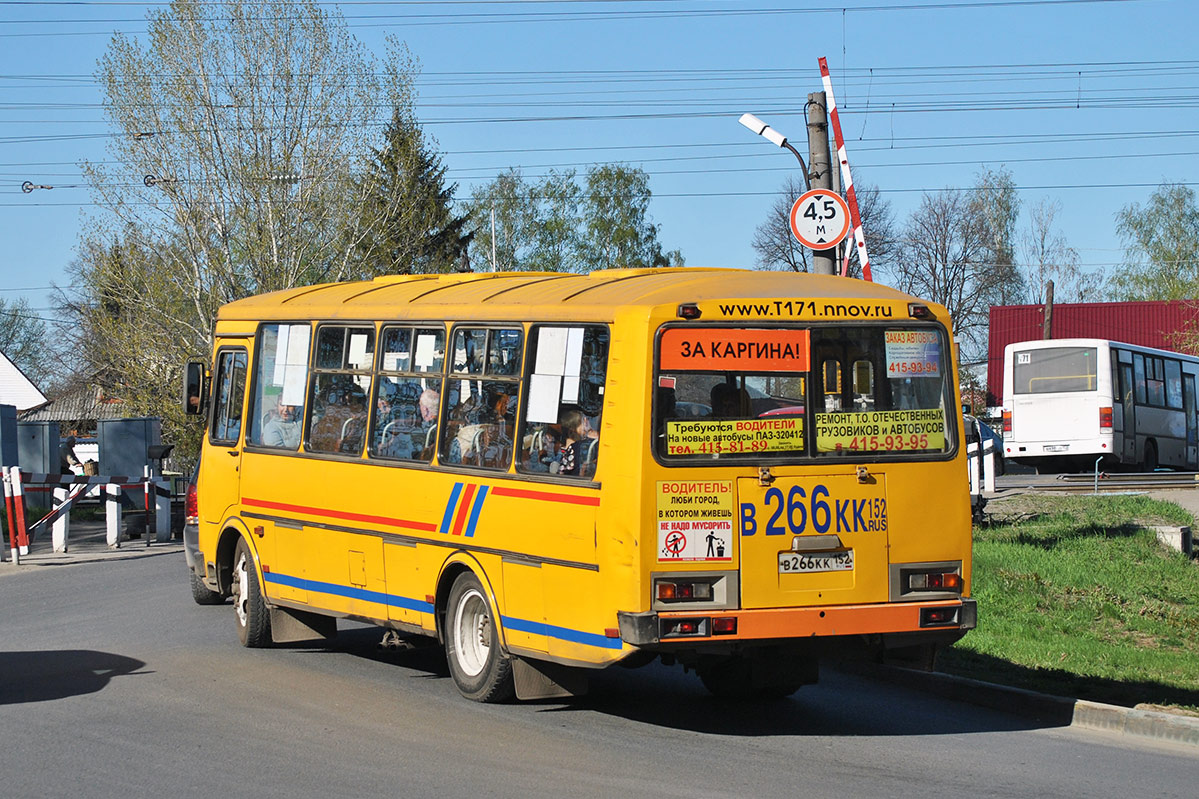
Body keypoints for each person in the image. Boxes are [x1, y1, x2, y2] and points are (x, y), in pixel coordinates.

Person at [558, 407, 597, 477]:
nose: (586, 422)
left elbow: (562, 471)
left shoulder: (574, 447)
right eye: (582, 422)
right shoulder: (577, 447)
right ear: (573, 429)